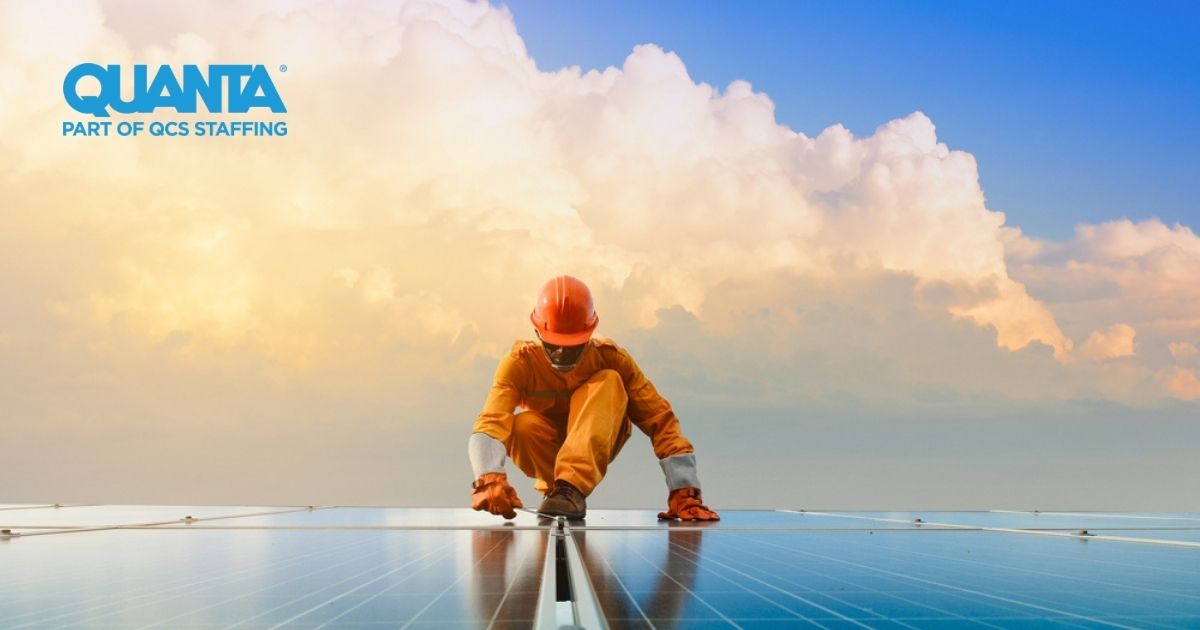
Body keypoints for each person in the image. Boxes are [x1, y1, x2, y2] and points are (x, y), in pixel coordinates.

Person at [468, 275, 719, 521]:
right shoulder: (518, 364)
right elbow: (491, 422)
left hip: (599, 436)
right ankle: (559, 491)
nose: (562, 355)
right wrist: (487, 477)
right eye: (554, 346)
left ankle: (571, 489)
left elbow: (659, 419)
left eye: (572, 346)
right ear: (537, 331)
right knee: (521, 425)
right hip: (548, 453)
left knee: (609, 380)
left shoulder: (612, 358)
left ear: (590, 333)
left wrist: (684, 490)